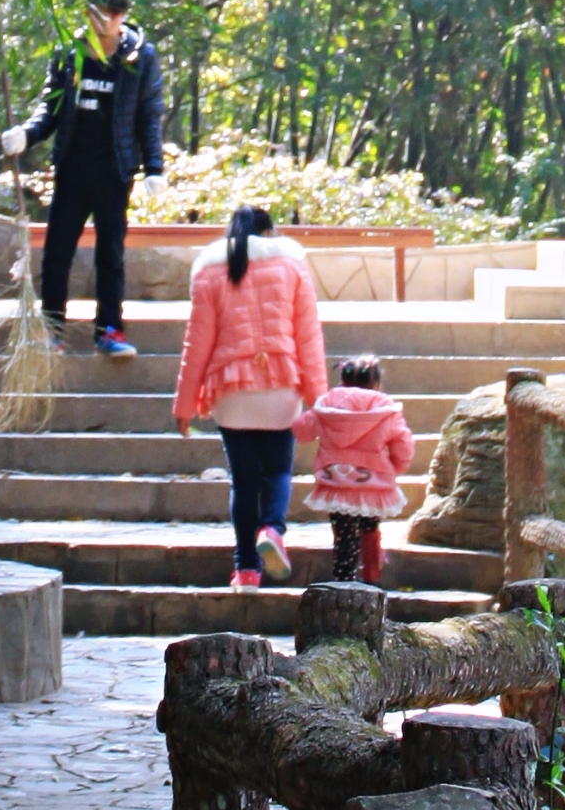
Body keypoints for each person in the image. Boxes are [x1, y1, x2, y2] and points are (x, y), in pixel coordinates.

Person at [1, 0, 164, 360]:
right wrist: (26, 134)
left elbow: (149, 114)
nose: (103, 22)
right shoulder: (69, 52)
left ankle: (109, 329)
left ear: (123, 16)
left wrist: (154, 167)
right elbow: (51, 108)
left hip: (114, 169)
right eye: (97, 13)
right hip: (73, 166)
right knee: (57, 250)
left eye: (111, 15)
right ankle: (50, 330)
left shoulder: (141, 57)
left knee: (110, 252)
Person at [172, 203, 327, 588]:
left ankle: (245, 570)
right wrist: (320, 400)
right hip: (281, 387)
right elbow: (309, 338)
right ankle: (272, 530)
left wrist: (184, 405)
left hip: (231, 394)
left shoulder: (209, 272)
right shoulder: (292, 267)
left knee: (243, 483)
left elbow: (197, 344)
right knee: (277, 472)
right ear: (270, 232)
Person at [298, 353, 417, 585]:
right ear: (377, 384)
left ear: (342, 381)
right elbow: (403, 444)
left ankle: (344, 579)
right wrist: (395, 467)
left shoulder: (326, 405)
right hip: (372, 481)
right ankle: (371, 571)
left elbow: (302, 431)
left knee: (343, 534)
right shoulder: (387, 410)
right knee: (370, 525)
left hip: (336, 481)